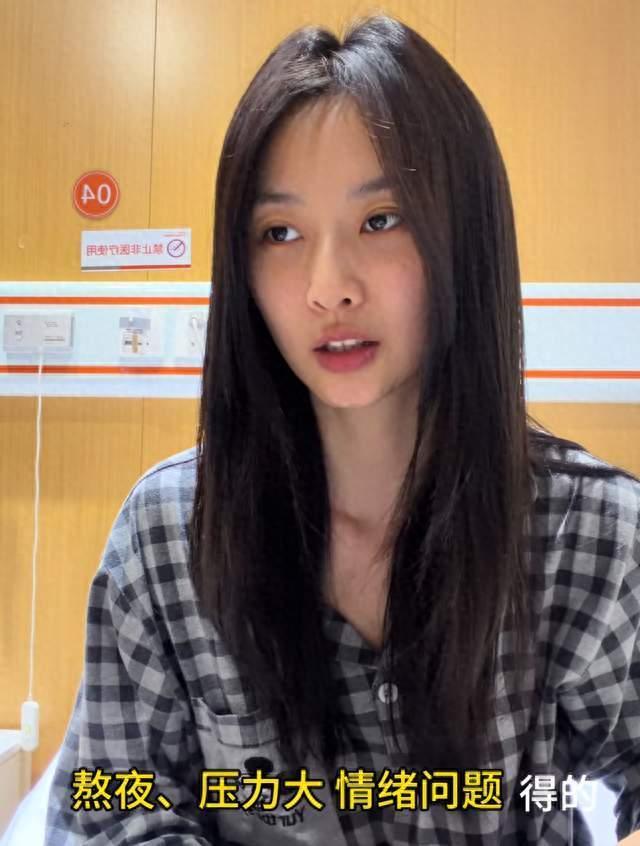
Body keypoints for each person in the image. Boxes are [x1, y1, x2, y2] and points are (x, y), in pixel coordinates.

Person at [45, 13, 639, 846]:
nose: (327, 287)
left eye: (381, 219)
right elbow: (109, 810)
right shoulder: (169, 538)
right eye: (280, 233)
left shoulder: (595, 536)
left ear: (464, 237)